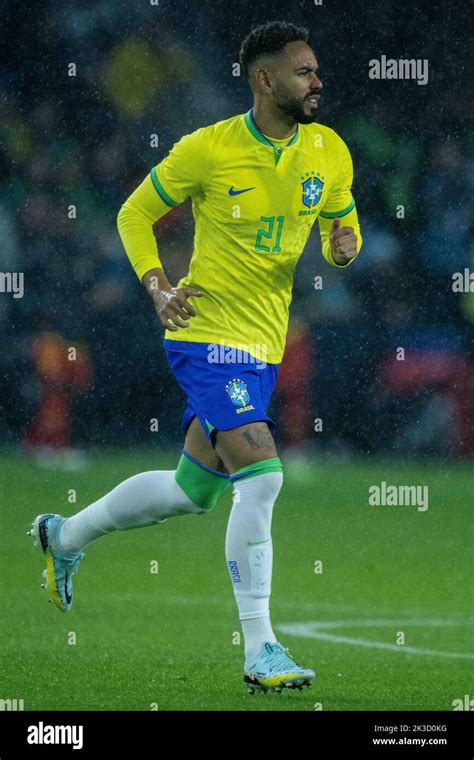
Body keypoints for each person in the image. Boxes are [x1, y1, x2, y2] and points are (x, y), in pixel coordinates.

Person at [30, 21, 362, 695]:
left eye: (316, 70)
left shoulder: (328, 150)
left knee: (194, 491)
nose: (317, 81)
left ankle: (64, 536)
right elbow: (133, 213)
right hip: (204, 335)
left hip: (263, 345)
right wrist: (156, 286)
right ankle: (261, 648)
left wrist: (341, 243)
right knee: (264, 474)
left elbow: (340, 220)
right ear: (264, 80)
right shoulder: (208, 149)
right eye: (303, 72)